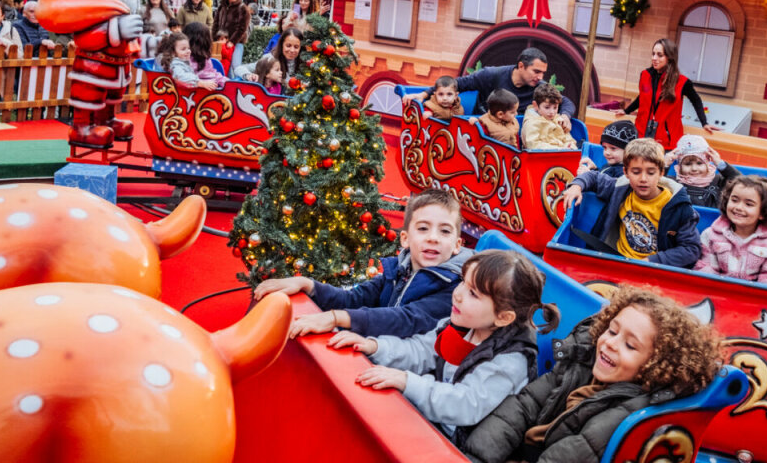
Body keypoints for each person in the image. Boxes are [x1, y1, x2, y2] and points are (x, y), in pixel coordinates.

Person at [463, 285, 723, 463]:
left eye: (630, 345)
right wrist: (472, 457)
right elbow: (522, 407)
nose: (610, 343)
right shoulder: (581, 364)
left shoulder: (627, 411)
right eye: (611, 331)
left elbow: (571, 454)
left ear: (654, 366)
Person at [329, 250, 560, 446]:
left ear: (503, 317)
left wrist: (406, 381)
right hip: (432, 422)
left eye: (473, 293)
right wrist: (375, 346)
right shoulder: (465, 325)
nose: (458, 295)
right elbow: (422, 350)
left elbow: (464, 404)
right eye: (463, 282)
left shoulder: (511, 361)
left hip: (460, 445)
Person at [254, 189, 472, 339]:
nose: (433, 238)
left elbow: (406, 319)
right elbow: (352, 299)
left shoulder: (455, 287)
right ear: (405, 239)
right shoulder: (399, 270)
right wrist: (308, 284)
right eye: (423, 228)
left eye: (444, 231)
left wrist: (337, 318)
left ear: (457, 244)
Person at [36, 0, 145, 148]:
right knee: (90, 95)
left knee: (112, 97)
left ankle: (107, 121)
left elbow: (132, 42)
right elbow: (85, 38)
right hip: (93, 66)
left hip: (117, 65)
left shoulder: (126, 11)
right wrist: (117, 30)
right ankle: (82, 128)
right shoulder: (92, 11)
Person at [562, 138, 701, 268]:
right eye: (636, 172)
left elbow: (691, 249)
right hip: (616, 260)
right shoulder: (621, 189)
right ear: (626, 173)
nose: (643, 179)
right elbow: (594, 177)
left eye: (651, 173)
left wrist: (653, 261)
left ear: (661, 173)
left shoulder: (679, 207)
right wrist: (577, 186)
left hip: (652, 270)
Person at [403, 47, 576, 118]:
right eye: (536, 71)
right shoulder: (492, 74)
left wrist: (566, 116)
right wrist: (425, 93)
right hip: (482, 128)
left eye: (543, 73)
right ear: (521, 66)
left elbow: (565, 102)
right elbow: (457, 84)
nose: (540, 77)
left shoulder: (539, 86)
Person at [694, 176, 767, 287]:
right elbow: (705, 269)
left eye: (748, 204)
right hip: (716, 293)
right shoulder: (710, 235)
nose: (739, 207)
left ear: (763, 212)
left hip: (753, 299)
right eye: (734, 200)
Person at [620, 38, 718, 149]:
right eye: (653, 54)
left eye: (660, 55)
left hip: (667, 141)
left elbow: (696, 100)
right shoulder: (645, 75)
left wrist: (704, 123)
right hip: (641, 135)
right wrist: (626, 111)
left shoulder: (682, 82)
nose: (654, 58)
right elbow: (642, 98)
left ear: (670, 57)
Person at [666, 134, 740, 209]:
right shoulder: (673, 183)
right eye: (687, 164)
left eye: (699, 163)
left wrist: (720, 163)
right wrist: (663, 165)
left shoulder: (718, 181)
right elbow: (656, 184)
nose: (694, 168)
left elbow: (740, 182)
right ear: (680, 166)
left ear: (707, 163)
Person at [521, 83, 575, 150]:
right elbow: (533, 145)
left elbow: (568, 139)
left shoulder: (558, 119)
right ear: (535, 105)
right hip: (540, 157)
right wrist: (559, 149)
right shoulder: (531, 123)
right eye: (547, 107)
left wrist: (570, 146)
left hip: (561, 154)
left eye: (555, 108)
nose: (552, 112)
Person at [213, 0, 250, 71]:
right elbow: (216, 23)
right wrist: (214, 39)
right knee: (224, 66)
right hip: (222, 41)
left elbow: (242, 28)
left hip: (237, 42)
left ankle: (236, 83)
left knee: (235, 66)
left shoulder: (242, 8)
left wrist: (232, 41)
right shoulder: (222, 6)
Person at [183, 21, 225, 90]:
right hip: (197, 94)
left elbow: (212, 73)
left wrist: (227, 82)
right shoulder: (183, 60)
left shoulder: (204, 59)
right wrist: (200, 83)